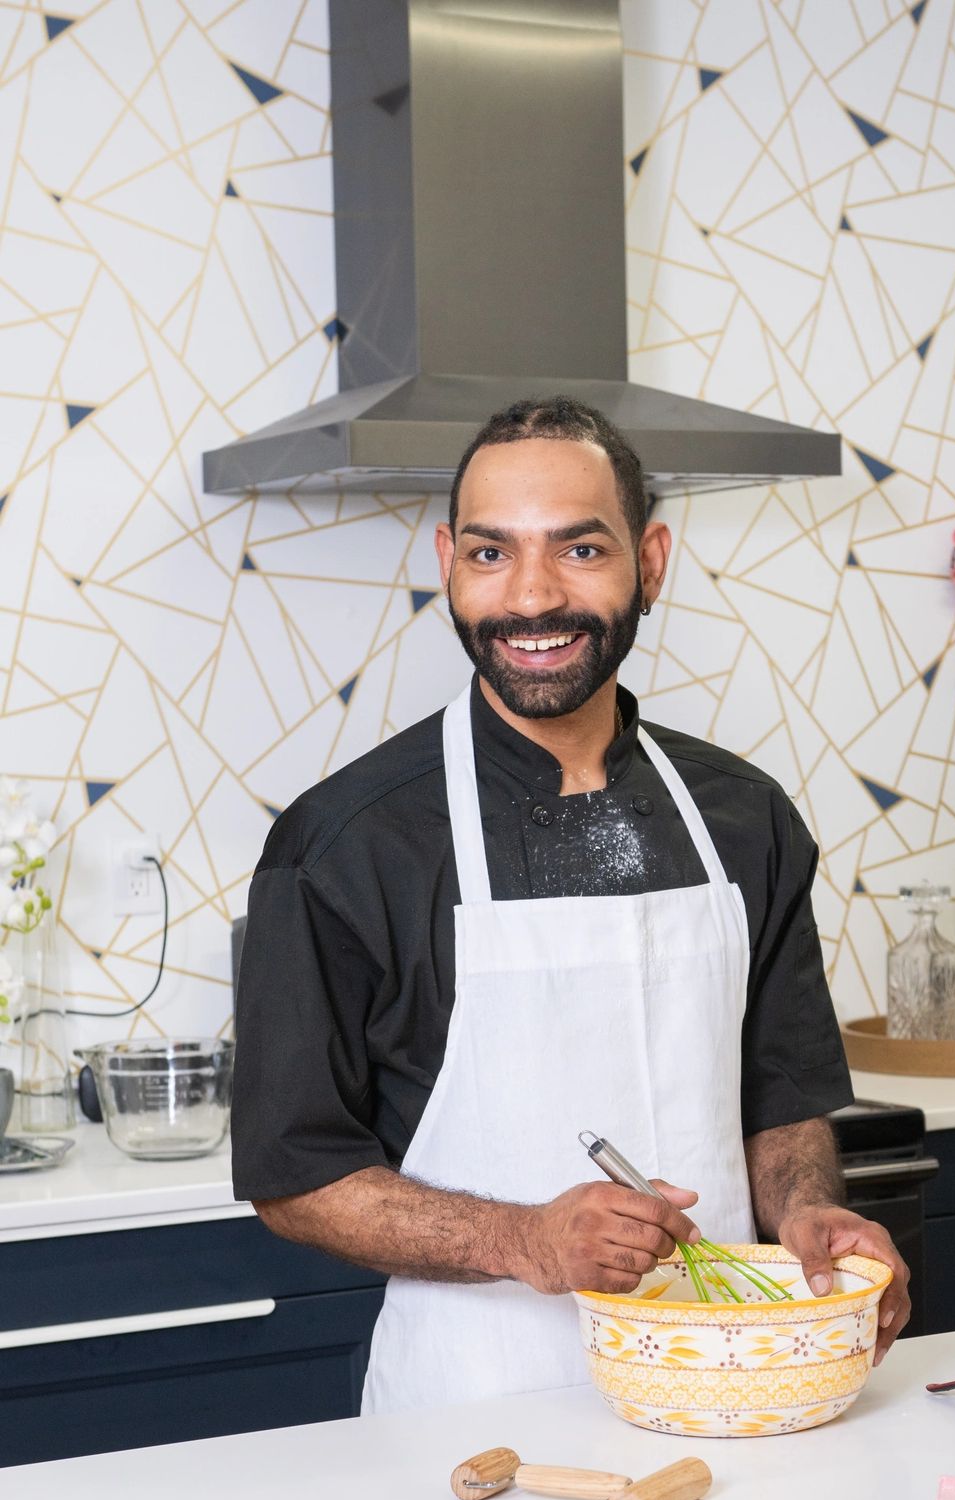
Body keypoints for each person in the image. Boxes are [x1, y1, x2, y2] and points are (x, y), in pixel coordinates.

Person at [231, 396, 910, 1412]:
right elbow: (295, 1176)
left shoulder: (745, 818)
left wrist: (809, 1214)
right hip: (468, 1410)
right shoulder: (346, 844)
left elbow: (780, 1097)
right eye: (493, 554)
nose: (532, 596)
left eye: (580, 548)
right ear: (447, 560)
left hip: (733, 1383)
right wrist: (523, 1238)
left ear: (652, 558)